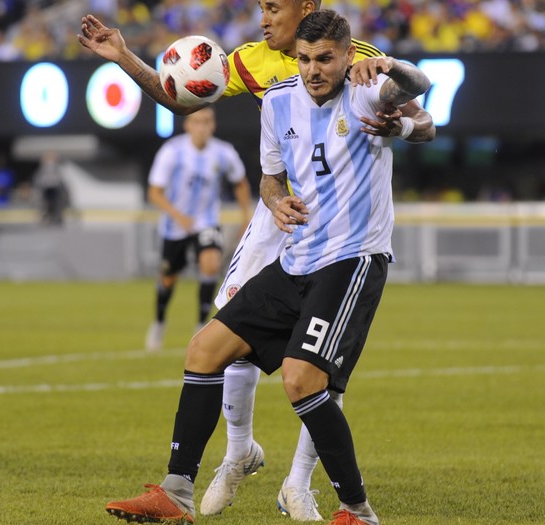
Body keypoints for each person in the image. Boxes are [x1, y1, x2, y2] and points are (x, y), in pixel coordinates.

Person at [79, 1, 436, 520]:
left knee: (304, 377)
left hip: (351, 255)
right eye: (307, 59)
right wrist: (125, 58)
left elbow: (420, 105)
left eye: (274, 7)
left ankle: (346, 505)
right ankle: (181, 488)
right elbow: (251, 160)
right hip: (295, 245)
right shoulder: (274, 94)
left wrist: (390, 91)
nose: (313, 67)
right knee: (205, 348)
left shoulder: (363, 77)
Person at [145, 107, 252, 352]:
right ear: (187, 125)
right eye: (197, 122)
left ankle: (200, 327)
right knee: (168, 279)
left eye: (206, 122)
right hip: (175, 226)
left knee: (211, 264)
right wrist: (177, 215)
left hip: (206, 220)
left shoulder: (223, 153)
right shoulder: (172, 151)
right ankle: (159, 322)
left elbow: (241, 183)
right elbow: (154, 192)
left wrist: (246, 216)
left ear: (212, 125)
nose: (201, 127)